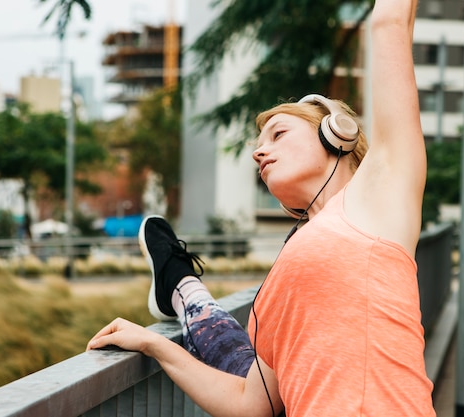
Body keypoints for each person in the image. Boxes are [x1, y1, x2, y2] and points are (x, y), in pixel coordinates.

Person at [87, 0, 435, 415]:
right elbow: (251, 403)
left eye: (278, 133)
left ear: (336, 136)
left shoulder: (381, 198)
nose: (259, 152)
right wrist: (154, 345)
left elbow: (390, 19)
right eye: (258, 144)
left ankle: (178, 282)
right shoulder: (283, 277)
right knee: (237, 357)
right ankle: (179, 286)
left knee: (235, 354)